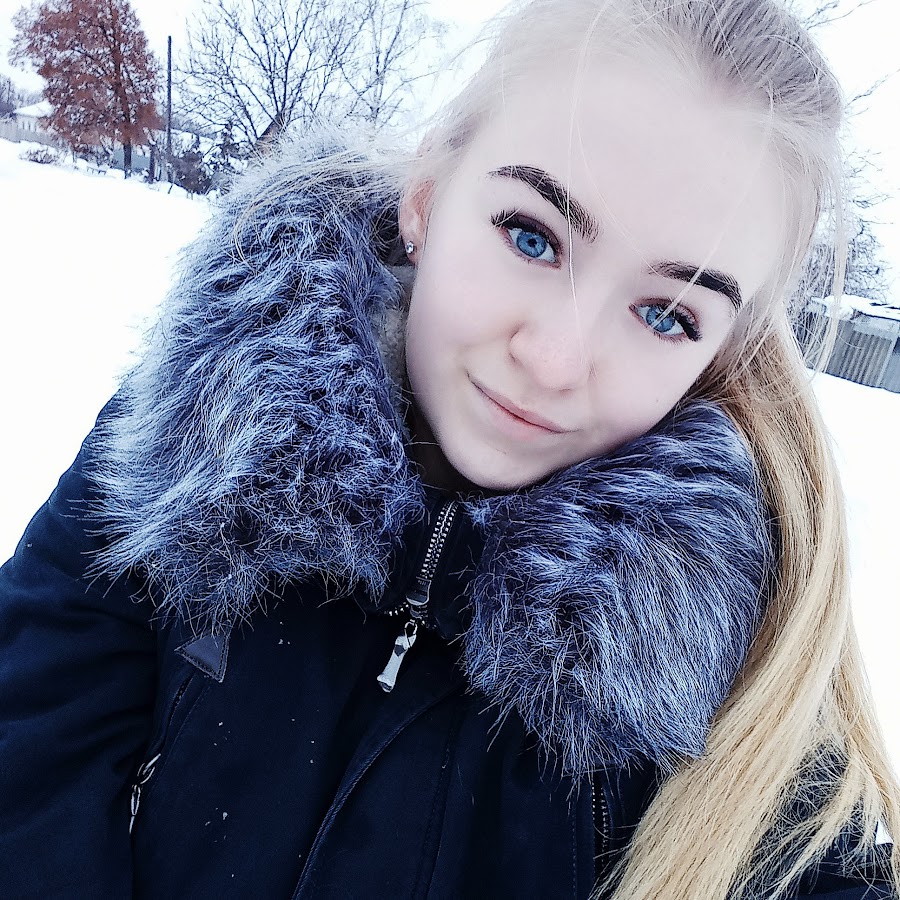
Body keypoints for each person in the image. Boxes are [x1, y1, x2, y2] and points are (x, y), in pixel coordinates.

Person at [1, 0, 898, 897]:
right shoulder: (200, 433)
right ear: (428, 198)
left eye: (666, 315)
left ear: (720, 356)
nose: (555, 362)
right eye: (532, 237)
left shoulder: (731, 643)